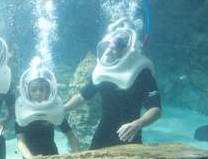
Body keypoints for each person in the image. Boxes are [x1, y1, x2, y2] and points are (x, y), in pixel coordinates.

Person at [64, 18, 161, 149]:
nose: (109, 52)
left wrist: (137, 124)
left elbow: (155, 109)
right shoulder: (103, 70)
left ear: (127, 51)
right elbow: (83, 96)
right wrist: (62, 109)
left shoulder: (141, 72)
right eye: (108, 47)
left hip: (129, 132)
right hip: (103, 131)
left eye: (115, 48)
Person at [14, 65, 80, 159]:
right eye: (33, 90)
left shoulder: (54, 110)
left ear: (49, 91)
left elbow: (71, 136)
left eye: (42, 90)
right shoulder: (21, 111)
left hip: (52, 155)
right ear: (27, 92)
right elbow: (21, 142)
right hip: (29, 158)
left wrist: (77, 155)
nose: (38, 93)